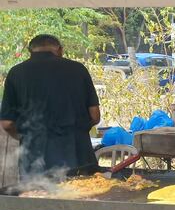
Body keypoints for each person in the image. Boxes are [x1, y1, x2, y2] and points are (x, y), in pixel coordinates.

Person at [0, 34, 100, 177]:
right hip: (77, 153)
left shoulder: (16, 73)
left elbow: (7, 123)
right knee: (82, 195)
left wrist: (27, 136)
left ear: (30, 51)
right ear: (60, 50)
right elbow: (95, 115)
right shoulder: (78, 69)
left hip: (35, 157)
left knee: (37, 196)